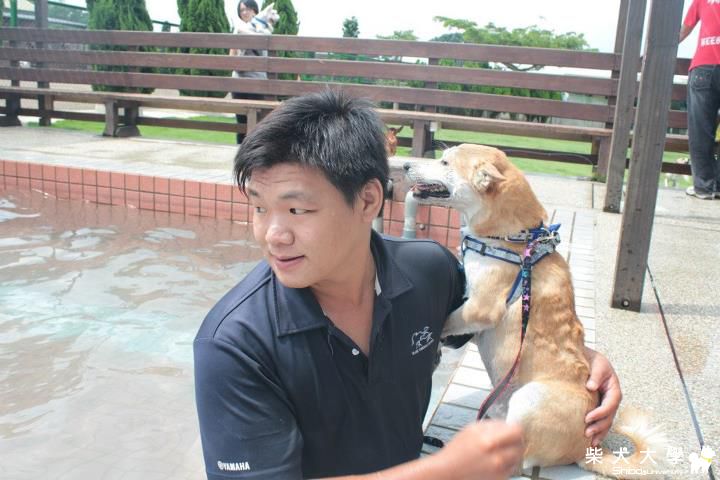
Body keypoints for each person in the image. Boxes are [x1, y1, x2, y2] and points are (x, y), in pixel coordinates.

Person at [193, 90, 622, 480]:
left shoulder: (428, 271)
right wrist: (445, 471)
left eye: (297, 211)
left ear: (368, 200)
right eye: (259, 208)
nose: (272, 235)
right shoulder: (234, 345)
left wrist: (583, 360)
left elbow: (500, 314)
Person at [680, 0, 720, 200]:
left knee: (700, 131)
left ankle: (704, 186)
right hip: (705, 69)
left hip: (704, 67)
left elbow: (683, 30)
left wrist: (654, 49)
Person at [229, 0, 268, 145]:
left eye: (248, 9)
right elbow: (231, 55)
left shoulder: (262, 28)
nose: (244, 13)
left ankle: (254, 152)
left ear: (255, 11)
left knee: (257, 122)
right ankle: (240, 149)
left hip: (256, 81)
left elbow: (262, 50)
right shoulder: (237, 29)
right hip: (239, 80)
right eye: (242, 10)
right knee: (241, 121)